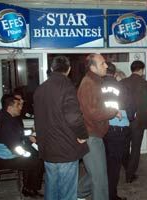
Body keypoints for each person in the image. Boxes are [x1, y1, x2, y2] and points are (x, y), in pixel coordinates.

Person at [33, 56, 89, 200]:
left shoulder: (40, 89)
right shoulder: (67, 87)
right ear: (69, 69)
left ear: (52, 69)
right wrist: (83, 135)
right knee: (68, 191)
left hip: (47, 147)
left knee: (51, 186)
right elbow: (74, 117)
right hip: (65, 148)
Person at [77, 54, 120, 200]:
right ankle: (79, 194)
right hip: (91, 136)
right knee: (100, 179)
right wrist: (113, 112)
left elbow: (96, 107)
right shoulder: (89, 83)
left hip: (94, 134)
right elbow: (93, 112)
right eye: (103, 64)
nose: (106, 66)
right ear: (92, 67)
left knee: (96, 173)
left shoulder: (95, 81)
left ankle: (79, 193)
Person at [0, 94, 43, 198]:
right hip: (1, 159)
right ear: (10, 107)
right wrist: (28, 153)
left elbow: (18, 134)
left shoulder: (4, 116)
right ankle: (29, 189)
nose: (21, 107)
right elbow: (16, 148)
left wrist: (30, 133)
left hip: (0, 152)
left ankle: (29, 185)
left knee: (34, 152)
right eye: (18, 105)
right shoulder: (6, 123)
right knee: (36, 159)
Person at [121, 60, 147, 183]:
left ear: (132, 69)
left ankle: (126, 166)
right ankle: (130, 174)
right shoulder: (145, 84)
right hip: (139, 120)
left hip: (124, 119)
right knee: (135, 148)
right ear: (141, 70)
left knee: (124, 146)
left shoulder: (123, 82)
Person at [102, 62, 129, 200]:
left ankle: (102, 194)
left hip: (101, 129)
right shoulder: (121, 86)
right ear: (114, 72)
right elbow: (130, 109)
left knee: (104, 163)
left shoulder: (96, 86)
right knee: (114, 165)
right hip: (117, 129)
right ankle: (111, 195)